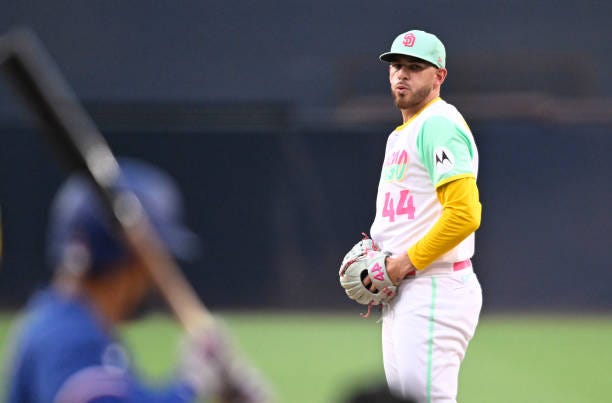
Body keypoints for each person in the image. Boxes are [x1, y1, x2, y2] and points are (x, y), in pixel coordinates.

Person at [3, 158, 270, 402]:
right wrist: (190, 382)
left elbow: (131, 396)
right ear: (135, 265)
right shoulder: (69, 340)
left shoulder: (60, 326)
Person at [367, 30, 483, 402]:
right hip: (407, 289)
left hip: (434, 286)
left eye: (415, 67)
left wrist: (402, 263)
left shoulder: (439, 124)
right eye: (397, 66)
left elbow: (464, 214)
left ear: (439, 76)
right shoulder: (403, 132)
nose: (402, 74)